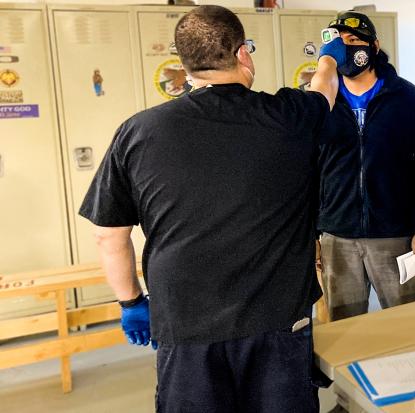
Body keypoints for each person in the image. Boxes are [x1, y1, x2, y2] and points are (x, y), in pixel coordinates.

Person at [79, 5, 346, 412]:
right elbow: (324, 89)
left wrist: (131, 302)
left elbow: (108, 234)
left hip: (184, 323)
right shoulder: (289, 116)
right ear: (242, 54)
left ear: (185, 66)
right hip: (277, 319)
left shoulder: (139, 131)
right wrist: (329, 56)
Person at [317, 10, 415, 321]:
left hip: (394, 235)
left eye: (354, 41)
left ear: (373, 47)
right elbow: (309, 170)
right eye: (339, 42)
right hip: (337, 235)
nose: (345, 49)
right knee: (344, 328)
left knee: (407, 322)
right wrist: (311, 233)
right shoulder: (322, 102)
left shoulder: (408, 98)